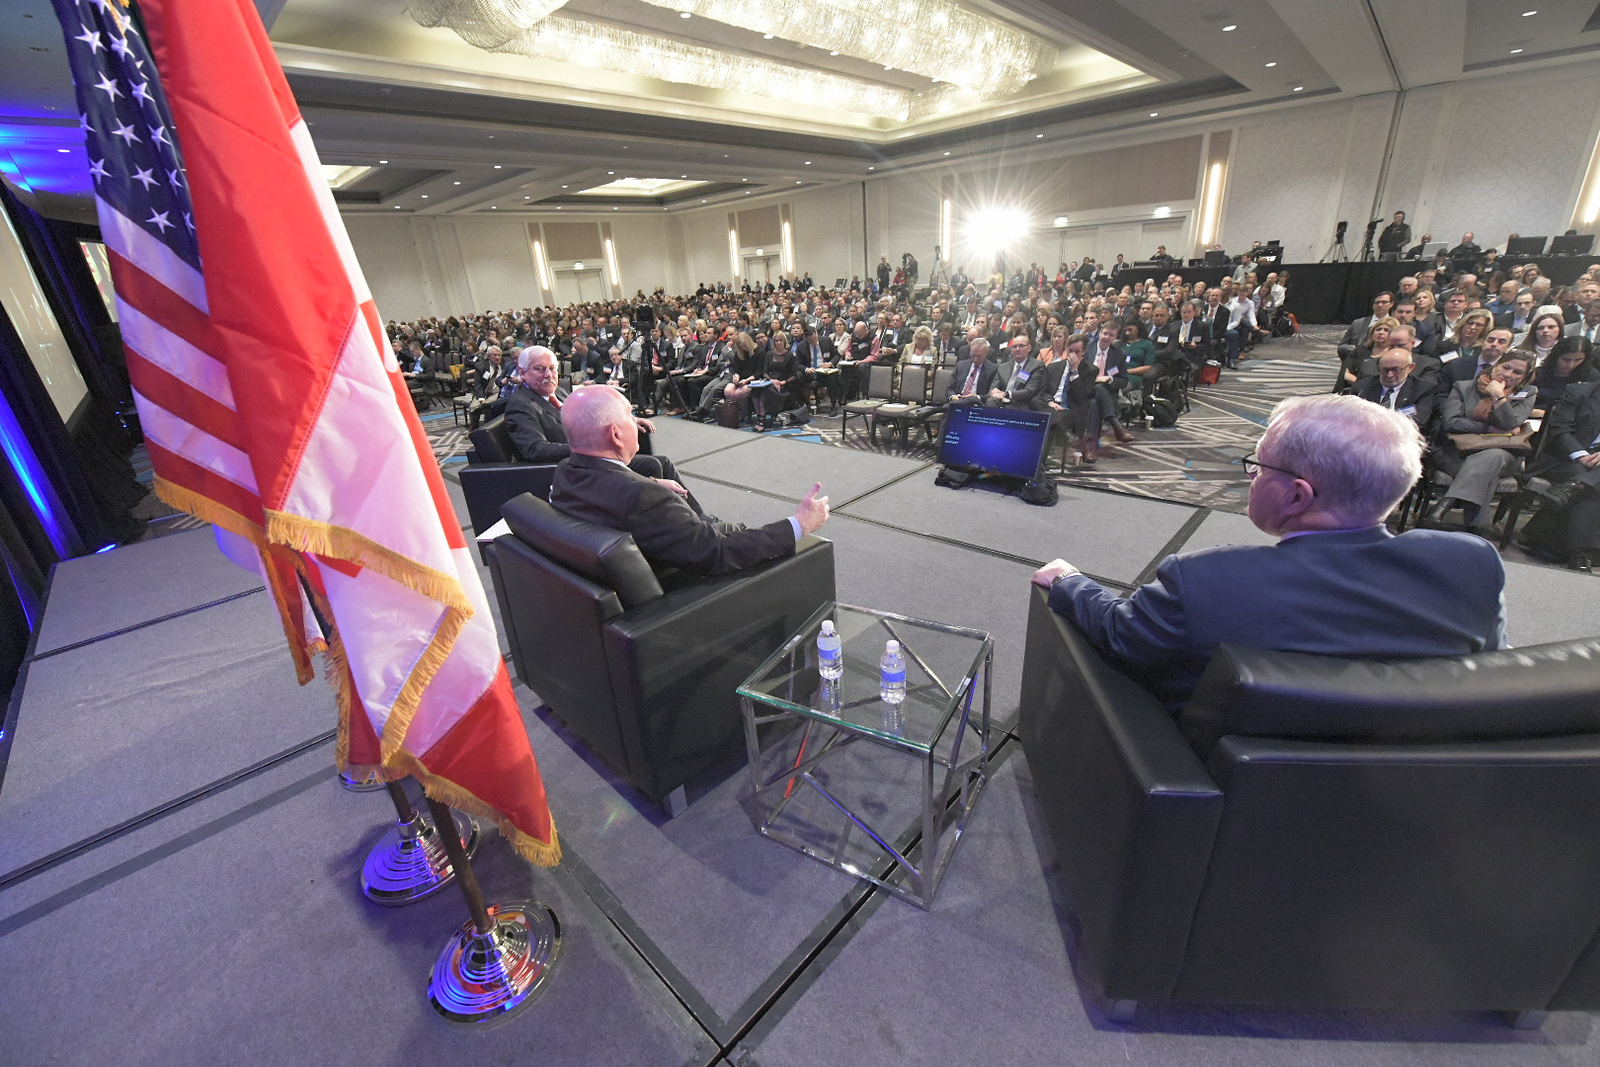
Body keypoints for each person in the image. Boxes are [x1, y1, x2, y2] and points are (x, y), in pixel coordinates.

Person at [1032, 394, 1507, 710]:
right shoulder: (1472, 566)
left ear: (1298, 496)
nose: (1252, 478)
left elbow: (1123, 634)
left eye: (1258, 467)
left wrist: (1069, 581)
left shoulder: (1205, 581)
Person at [550, 386, 830, 577]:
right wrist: (799, 524)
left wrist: (650, 483)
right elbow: (718, 553)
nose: (636, 423)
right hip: (681, 593)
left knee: (722, 527)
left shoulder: (566, 471)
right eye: (630, 417)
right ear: (615, 435)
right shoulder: (643, 498)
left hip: (627, 574)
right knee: (735, 533)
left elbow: (608, 491)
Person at [1428, 350, 1537, 535]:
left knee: (1492, 456)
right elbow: (1451, 422)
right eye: (1506, 367)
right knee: (1488, 468)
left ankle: (1441, 508)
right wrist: (1491, 430)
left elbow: (1511, 422)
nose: (1509, 374)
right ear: (1496, 365)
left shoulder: (1528, 392)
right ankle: (1476, 527)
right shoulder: (1463, 387)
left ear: (1523, 377)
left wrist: (1498, 397)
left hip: (1506, 454)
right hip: (1457, 452)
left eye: (1517, 373)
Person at [1353, 347, 1435, 428]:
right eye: (1385, 370)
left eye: (1396, 370)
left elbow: (1418, 421)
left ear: (1410, 368)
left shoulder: (1423, 388)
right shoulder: (1362, 386)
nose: (1390, 375)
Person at [947, 337, 997, 405]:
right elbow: (950, 388)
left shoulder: (993, 369)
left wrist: (977, 397)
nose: (975, 359)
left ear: (986, 352)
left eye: (979, 356)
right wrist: (953, 396)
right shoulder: (961, 365)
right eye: (973, 355)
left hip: (977, 405)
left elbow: (992, 394)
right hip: (957, 401)